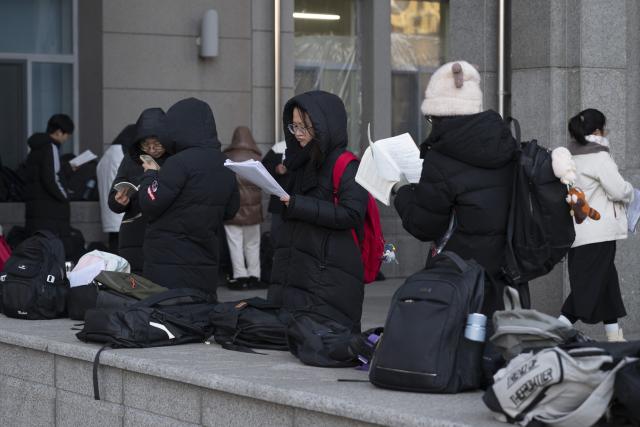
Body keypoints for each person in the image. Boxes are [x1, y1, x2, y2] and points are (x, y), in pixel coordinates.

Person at [393, 60, 528, 316]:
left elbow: (424, 225)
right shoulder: (506, 143)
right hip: (506, 275)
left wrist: (401, 192)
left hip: (460, 279)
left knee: (459, 352)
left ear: (440, 114)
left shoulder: (442, 158)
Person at [268, 90, 369, 332]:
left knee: (321, 341)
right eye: (294, 126)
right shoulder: (299, 160)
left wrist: (297, 204)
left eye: (305, 126)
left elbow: (352, 213)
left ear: (324, 126)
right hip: (301, 272)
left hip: (329, 276)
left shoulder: (346, 165)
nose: (299, 133)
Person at [138, 98, 239, 297]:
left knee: (169, 317)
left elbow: (150, 203)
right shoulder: (225, 163)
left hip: (168, 262)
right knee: (199, 316)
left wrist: (150, 174)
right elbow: (231, 209)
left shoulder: (178, 163)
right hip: (205, 259)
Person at [557, 108, 633, 342]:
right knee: (587, 289)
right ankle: (551, 333)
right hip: (597, 234)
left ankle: (614, 337)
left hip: (577, 232)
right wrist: (632, 192)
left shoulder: (569, 157)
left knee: (606, 282)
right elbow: (619, 189)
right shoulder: (599, 157)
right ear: (599, 131)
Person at [107, 109, 170, 273]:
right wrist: (118, 200)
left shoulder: (176, 159)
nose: (151, 149)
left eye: (156, 144)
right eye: (145, 145)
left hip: (165, 233)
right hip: (134, 233)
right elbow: (116, 190)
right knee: (136, 284)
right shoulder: (131, 158)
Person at [223, 126, 264, 290]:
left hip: (233, 210)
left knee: (235, 243)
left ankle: (240, 277)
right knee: (253, 244)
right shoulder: (257, 158)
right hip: (253, 211)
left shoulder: (227, 157)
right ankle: (255, 276)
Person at [23, 113, 74, 243]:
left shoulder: (35, 149)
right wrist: (65, 196)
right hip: (50, 213)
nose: (66, 139)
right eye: (66, 135)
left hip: (36, 212)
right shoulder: (51, 147)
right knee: (52, 252)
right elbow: (51, 178)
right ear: (58, 132)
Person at [97, 123, 136, 253]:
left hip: (110, 212)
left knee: (114, 248)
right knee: (120, 252)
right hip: (120, 211)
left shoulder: (107, 155)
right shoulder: (121, 156)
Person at [262, 139, 289, 245]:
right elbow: (264, 169)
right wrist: (276, 169)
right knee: (276, 237)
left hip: (301, 202)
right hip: (279, 203)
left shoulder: (309, 147)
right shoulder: (279, 148)